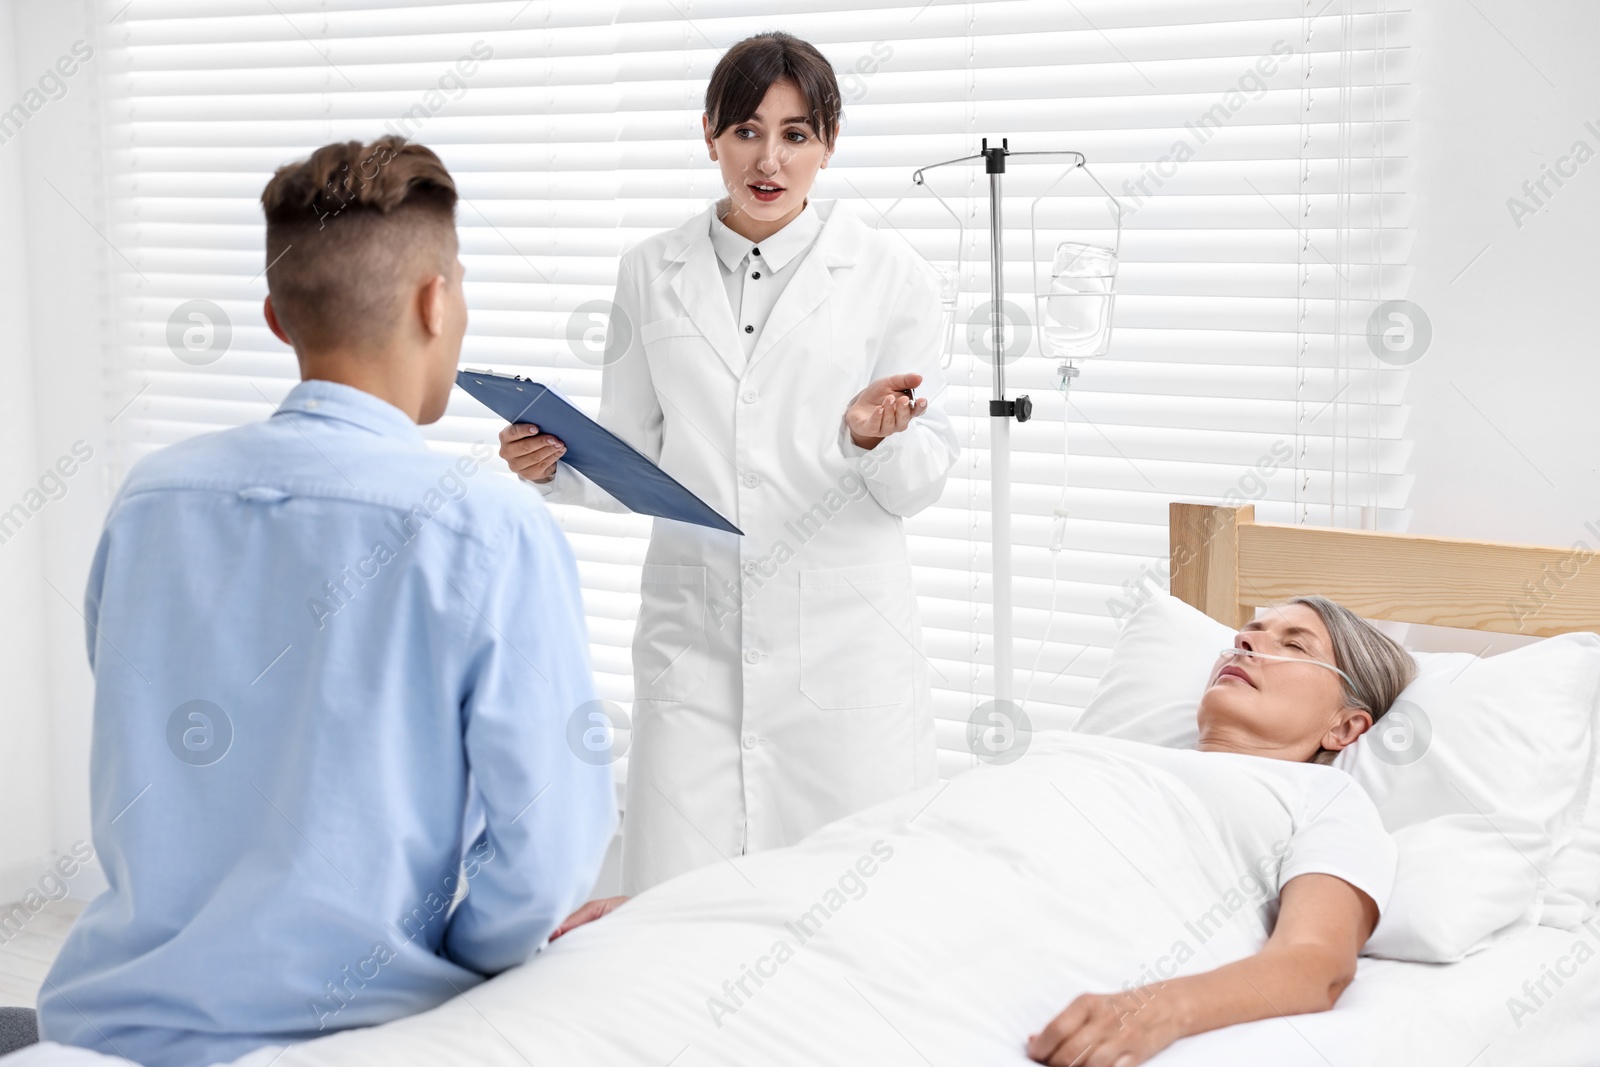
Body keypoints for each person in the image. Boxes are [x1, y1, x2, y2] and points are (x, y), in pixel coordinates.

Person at [36, 137, 616, 1067]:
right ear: (437, 301)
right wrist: (448, 967)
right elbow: (549, 859)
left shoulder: (150, 500)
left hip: (111, 1024)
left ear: (275, 317)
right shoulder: (488, 528)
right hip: (373, 1030)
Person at [499, 32, 961, 911]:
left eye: (796, 134)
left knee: (848, 916)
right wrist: (551, 464)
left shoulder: (893, 276)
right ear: (709, 132)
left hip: (843, 651)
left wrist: (873, 440)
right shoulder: (649, 270)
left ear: (829, 143)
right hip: (695, 644)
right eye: (748, 130)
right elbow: (631, 451)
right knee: (676, 915)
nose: (770, 159)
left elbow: (921, 480)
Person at [1026, 595, 1417, 1066]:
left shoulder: (1324, 796)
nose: (1246, 642)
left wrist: (1159, 1011)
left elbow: (1319, 964)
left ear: (1345, 726)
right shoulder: (1091, 753)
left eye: (1294, 645)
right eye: (1248, 632)